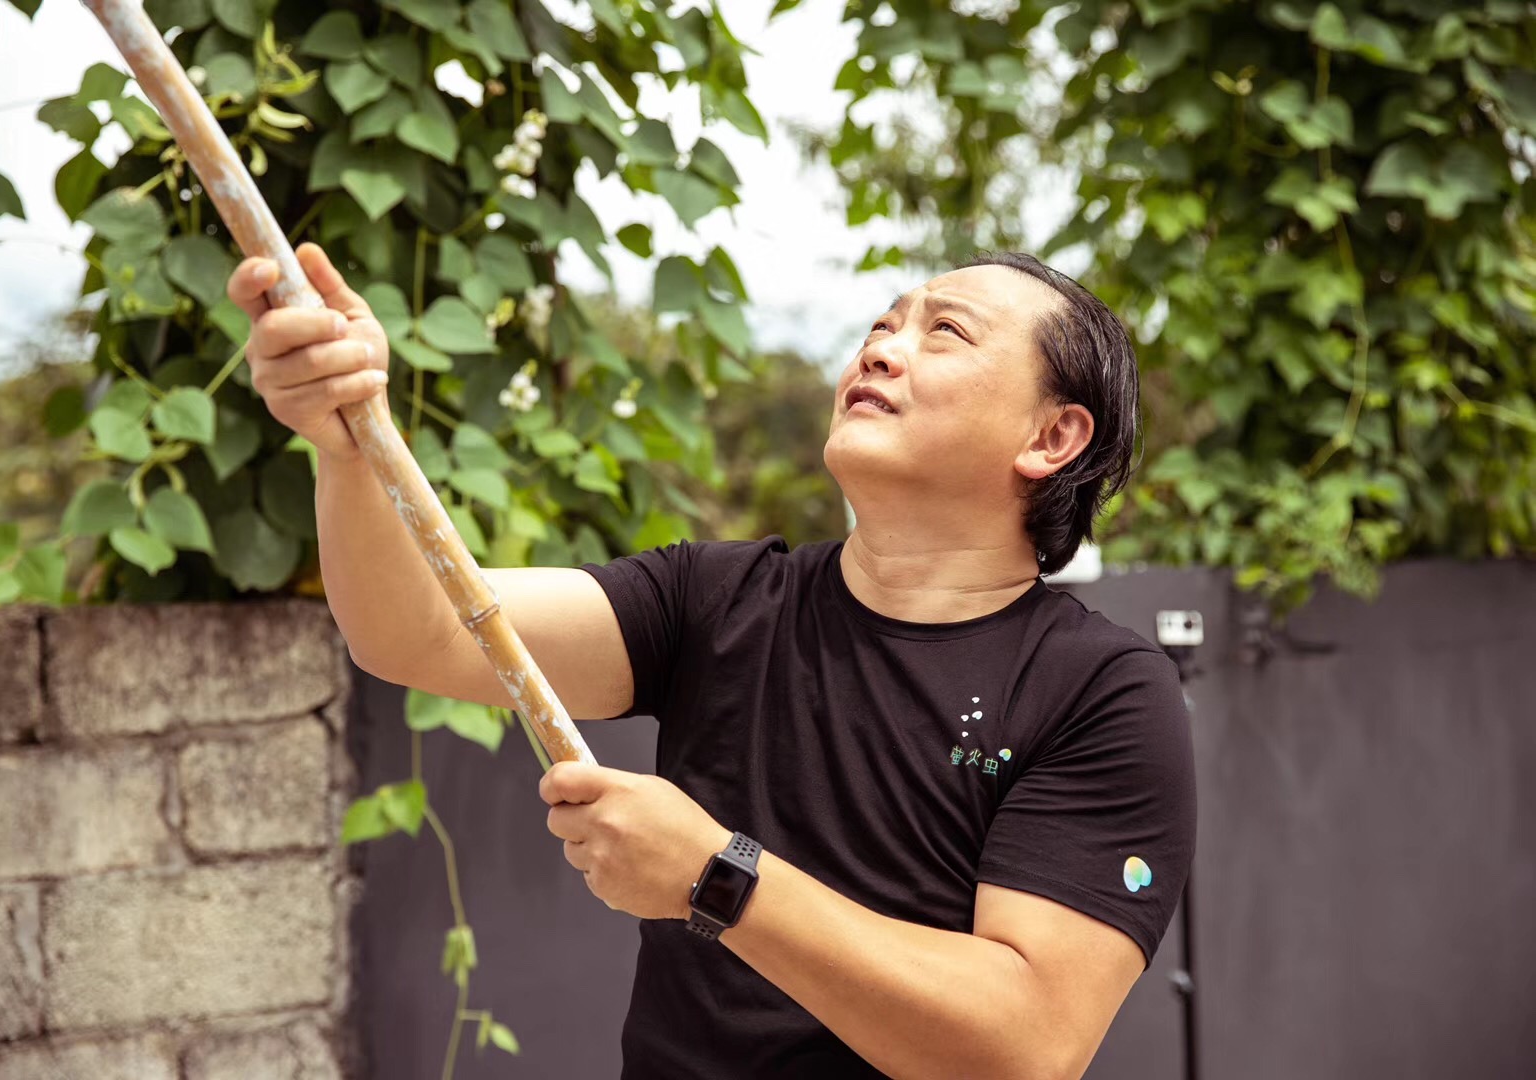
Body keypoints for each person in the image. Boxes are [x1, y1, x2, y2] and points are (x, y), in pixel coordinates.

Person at [227, 244, 1197, 1080]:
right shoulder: (717, 599)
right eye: (883, 323)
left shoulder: (1103, 692)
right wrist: (349, 443)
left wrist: (718, 877)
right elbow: (419, 632)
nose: (880, 348)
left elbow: (1025, 1047)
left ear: (1052, 436)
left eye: (945, 332)